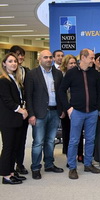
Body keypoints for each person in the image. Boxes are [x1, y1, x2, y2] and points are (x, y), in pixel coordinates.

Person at [58, 48, 100, 179]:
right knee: (74, 140)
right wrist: (68, 108)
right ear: (83, 57)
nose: (93, 60)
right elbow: (61, 91)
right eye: (91, 58)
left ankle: (88, 164)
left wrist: (97, 108)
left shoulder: (95, 73)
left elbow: (99, 92)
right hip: (77, 112)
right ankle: (72, 167)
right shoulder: (71, 73)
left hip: (92, 112)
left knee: (90, 139)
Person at [25, 50, 64, 180]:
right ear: (39, 59)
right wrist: (31, 114)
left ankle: (49, 164)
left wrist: (61, 109)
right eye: (45, 57)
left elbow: (60, 93)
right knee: (38, 142)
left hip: (54, 112)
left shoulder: (58, 74)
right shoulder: (32, 74)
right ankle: (35, 167)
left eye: (50, 57)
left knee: (50, 141)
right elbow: (28, 96)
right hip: (39, 113)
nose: (48, 59)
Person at [0, 53, 28, 184]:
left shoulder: (15, 79)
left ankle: (11, 172)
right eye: (10, 61)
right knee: (8, 148)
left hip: (16, 119)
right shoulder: (3, 80)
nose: (13, 63)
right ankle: (6, 176)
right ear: (4, 64)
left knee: (14, 147)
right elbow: (7, 100)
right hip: (8, 119)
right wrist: (21, 110)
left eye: (15, 61)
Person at [9, 45, 30, 175]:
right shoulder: (5, 75)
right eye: (17, 54)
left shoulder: (27, 71)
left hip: (25, 110)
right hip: (12, 112)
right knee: (11, 142)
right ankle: (9, 169)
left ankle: (20, 164)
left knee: (22, 140)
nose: (20, 57)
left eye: (22, 55)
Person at [59, 55, 84, 163]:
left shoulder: (79, 75)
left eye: (74, 63)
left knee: (79, 133)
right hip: (66, 109)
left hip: (78, 109)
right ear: (65, 65)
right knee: (68, 133)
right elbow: (60, 94)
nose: (73, 65)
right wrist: (64, 109)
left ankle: (79, 154)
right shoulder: (61, 76)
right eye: (71, 63)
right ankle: (70, 156)